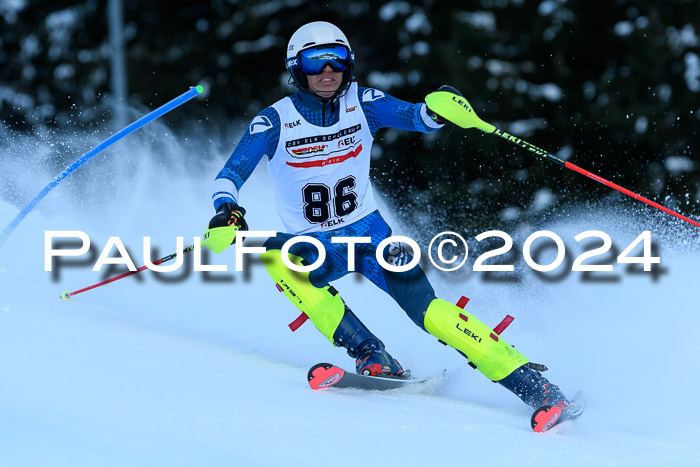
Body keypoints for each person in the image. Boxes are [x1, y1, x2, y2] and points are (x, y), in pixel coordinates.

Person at [205, 21, 572, 411]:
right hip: (313, 246)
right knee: (276, 257)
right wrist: (227, 210)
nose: (328, 71)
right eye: (315, 62)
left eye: (337, 60)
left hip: (373, 238)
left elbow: (418, 117)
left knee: (429, 313)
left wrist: (439, 107)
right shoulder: (274, 121)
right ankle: (370, 353)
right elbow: (229, 175)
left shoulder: (363, 103)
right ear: (297, 68)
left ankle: (536, 387)